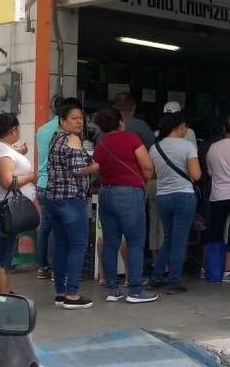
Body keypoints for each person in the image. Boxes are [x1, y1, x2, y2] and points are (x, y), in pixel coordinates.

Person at [93, 108, 158, 304]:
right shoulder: (131, 139)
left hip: (106, 193)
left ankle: (113, 289)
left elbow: (97, 168)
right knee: (135, 242)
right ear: (121, 122)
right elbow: (147, 167)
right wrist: (144, 179)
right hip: (129, 193)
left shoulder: (100, 144)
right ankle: (136, 290)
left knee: (111, 243)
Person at [46, 102, 96, 309]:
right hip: (71, 199)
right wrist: (96, 166)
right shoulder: (74, 139)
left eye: (81, 118)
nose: (78, 121)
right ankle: (73, 295)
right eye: (74, 118)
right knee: (77, 245)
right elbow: (77, 169)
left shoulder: (55, 138)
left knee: (61, 246)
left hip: (53, 199)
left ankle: (60, 293)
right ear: (63, 120)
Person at [0, 114, 38, 295]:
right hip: (6, 206)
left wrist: (17, 154)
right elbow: (7, 181)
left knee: (4, 246)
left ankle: (5, 289)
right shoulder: (3, 152)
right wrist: (31, 176)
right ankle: (2, 294)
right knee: (5, 251)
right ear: (13, 129)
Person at [150, 111, 201, 294]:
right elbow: (196, 175)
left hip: (163, 197)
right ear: (179, 127)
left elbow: (152, 174)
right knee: (180, 240)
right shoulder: (187, 146)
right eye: (185, 126)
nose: (186, 130)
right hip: (183, 196)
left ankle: (156, 276)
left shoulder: (155, 147)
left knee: (169, 238)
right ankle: (174, 282)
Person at [35, 96, 82, 281]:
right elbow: (76, 166)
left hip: (41, 183)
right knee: (58, 231)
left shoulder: (43, 129)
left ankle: (42, 267)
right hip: (57, 185)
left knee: (45, 228)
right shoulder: (66, 133)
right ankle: (57, 270)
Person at [206, 114, 230, 281]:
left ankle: (212, 268)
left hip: (218, 194)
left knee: (215, 230)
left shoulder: (213, 148)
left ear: (223, 129)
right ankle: (228, 271)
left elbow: (210, 171)